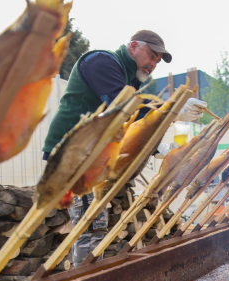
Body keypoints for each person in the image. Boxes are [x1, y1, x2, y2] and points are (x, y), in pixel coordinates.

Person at [40, 31, 203, 265]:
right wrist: (171, 107)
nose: (153, 64)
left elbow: (130, 126)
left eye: (157, 61)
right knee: (90, 226)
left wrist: (157, 148)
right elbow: (122, 106)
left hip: (93, 154)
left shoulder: (130, 78)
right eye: (152, 56)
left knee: (93, 225)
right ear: (133, 46)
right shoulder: (100, 61)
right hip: (72, 153)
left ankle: (88, 276)